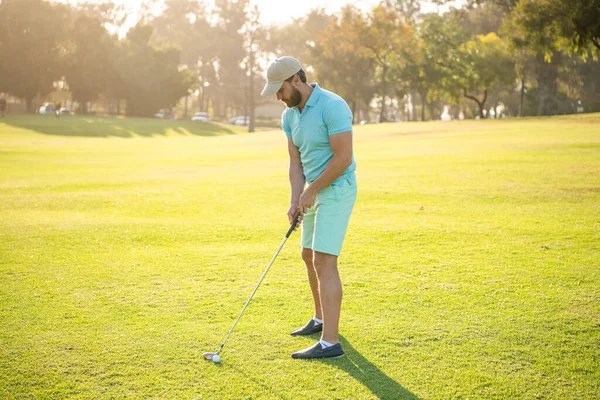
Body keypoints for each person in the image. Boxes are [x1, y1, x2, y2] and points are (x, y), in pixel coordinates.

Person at [261, 57, 357, 359]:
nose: (279, 97)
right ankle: (319, 319)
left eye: (281, 90)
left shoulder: (333, 105)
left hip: (337, 189)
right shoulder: (289, 116)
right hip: (312, 193)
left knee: (324, 261)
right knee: (307, 255)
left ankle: (331, 343)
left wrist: (311, 191)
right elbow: (295, 161)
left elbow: (343, 159)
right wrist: (295, 199)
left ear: (296, 80)